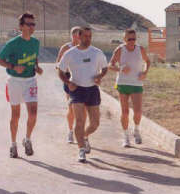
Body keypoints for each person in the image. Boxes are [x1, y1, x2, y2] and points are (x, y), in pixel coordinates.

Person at [0, 12, 44, 158]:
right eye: (28, 24)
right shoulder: (13, 44)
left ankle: (27, 140)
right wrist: (13, 66)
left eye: (33, 24)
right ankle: (13, 144)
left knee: (33, 113)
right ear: (21, 27)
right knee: (15, 115)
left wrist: (37, 67)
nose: (31, 27)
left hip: (30, 81)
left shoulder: (36, 43)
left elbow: (34, 58)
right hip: (15, 81)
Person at [58, 26, 108, 163]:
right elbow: (60, 71)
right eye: (85, 36)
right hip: (77, 90)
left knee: (95, 123)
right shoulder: (70, 53)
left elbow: (105, 68)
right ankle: (81, 150)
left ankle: (85, 136)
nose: (88, 39)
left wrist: (100, 76)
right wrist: (68, 83)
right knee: (79, 121)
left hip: (92, 89)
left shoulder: (97, 52)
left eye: (90, 36)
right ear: (79, 37)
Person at [109, 29, 151, 147]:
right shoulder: (120, 50)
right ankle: (125, 137)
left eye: (134, 39)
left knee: (138, 112)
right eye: (129, 39)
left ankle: (136, 130)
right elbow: (110, 65)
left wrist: (145, 72)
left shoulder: (140, 49)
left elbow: (148, 61)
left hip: (137, 83)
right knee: (125, 112)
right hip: (123, 83)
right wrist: (121, 69)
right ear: (124, 39)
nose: (132, 41)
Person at [55, 26, 82, 143]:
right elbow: (57, 63)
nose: (78, 38)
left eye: (80, 35)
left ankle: (81, 133)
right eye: (75, 35)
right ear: (72, 36)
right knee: (71, 107)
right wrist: (65, 70)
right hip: (69, 80)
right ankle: (70, 132)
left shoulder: (85, 48)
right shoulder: (66, 48)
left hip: (83, 80)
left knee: (82, 108)